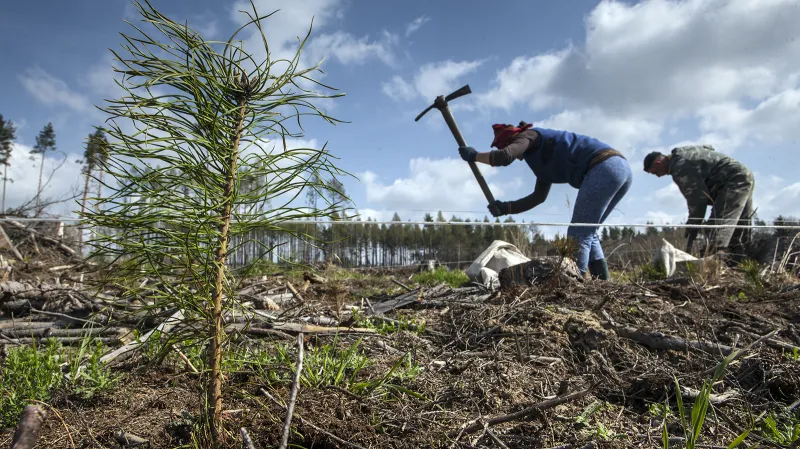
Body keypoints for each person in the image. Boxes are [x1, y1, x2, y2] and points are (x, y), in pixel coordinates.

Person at [458, 122, 633, 280]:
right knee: (588, 232)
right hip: (620, 169)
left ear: (513, 139)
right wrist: (505, 208)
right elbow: (538, 197)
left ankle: (575, 285)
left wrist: (474, 156)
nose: (516, 153)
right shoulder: (540, 161)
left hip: (604, 166)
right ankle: (603, 283)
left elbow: (504, 157)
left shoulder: (530, 135)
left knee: (578, 234)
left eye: (505, 144)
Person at [643, 145, 754, 258]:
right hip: (743, 174)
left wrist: (693, 224)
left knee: (717, 230)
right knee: (741, 226)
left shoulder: (680, 167)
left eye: (655, 173)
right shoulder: (684, 153)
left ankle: (715, 262)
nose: (658, 176)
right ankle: (742, 259)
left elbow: (697, 199)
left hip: (731, 181)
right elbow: (709, 148)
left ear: (658, 163)